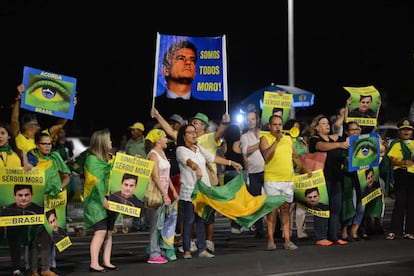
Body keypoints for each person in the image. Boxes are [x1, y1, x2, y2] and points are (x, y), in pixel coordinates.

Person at [176, 124, 241, 259]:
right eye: (190, 132)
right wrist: (196, 168)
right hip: (189, 192)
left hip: (203, 191)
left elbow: (212, 158)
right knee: (189, 221)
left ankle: (202, 249)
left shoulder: (198, 148)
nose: (194, 134)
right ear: (183, 136)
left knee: (201, 220)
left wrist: (230, 162)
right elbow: (188, 162)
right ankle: (187, 250)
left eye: (194, 132)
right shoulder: (181, 150)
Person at [259, 115, 311, 251]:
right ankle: (270, 240)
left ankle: (287, 240)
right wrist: (276, 141)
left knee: (286, 210)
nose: (278, 127)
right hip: (272, 180)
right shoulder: (265, 139)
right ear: (270, 126)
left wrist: (305, 169)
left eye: (280, 124)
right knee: (272, 211)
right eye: (275, 125)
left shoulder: (288, 139)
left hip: (288, 179)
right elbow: (266, 156)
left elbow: (295, 157)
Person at [154, 40, 225, 119]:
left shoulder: (203, 107)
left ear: (195, 73)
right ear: (165, 70)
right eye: (181, 58)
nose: (188, 62)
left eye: (192, 59)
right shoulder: (155, 105)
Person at [191, 111, 230, 253]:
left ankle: (209, 241)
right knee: (193, 213)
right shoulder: (189, 139)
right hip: (193, 180)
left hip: (209, 181)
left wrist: (224, 123)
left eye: (196, 123)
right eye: (193, 122)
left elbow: (218, 134)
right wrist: (157, 116)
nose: (193, 124)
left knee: (208, 213)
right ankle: (193, 240)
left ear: (203, 126)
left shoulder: (208, 138)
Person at [308, 114, 350, 246]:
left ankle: (334, 235)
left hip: (336, 177)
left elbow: (348, 137)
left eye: (327, 123)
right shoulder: (315, 139)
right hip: (322, 178)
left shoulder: (334, 139)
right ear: (317, 127)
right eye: (324, 123)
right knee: (322, 208)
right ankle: (320, 237)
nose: (327, 125)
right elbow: (322, 146)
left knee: (335, 208)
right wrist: (340, 144)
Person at [82, 129, 119, 272]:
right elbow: (94, 182)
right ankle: (94, 263)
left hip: (111, 197)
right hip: (95, 200)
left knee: (109, 232)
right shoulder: (92, 160)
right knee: (100, 232)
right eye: (109, 140)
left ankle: (107, 261)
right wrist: (102, 198)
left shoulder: (111, 158)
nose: (111, 142)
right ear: (102, 142)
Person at [11, 84, 69, 170]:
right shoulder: (18, 136)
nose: (39, 127)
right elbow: (14, 120)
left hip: (43, 176)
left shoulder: (44, 135)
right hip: (23, 175)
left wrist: (69, 107)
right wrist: (18, 99)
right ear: (30, 126)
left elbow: (59, 125)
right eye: (37, 124)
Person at [145, 128, 178, 264]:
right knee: (154, 224)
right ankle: (153, 253)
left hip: (163, 192)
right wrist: (165, 194)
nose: (167, 139)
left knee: (161, 224)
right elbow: (155, 176)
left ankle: (157, 249)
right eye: (164, 137)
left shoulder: (162, 153)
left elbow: (166, 175)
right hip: (156, 194)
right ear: (158, 140)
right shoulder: (153, 155)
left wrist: (172, 190)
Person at [385, 118, 414, 240]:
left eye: (409, 130)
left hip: (412, 175)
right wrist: (403, 162)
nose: (406, 132)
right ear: (399, 132)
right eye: (403, 130)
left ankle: (410, 231)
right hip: (401, 174)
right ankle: (394, 230)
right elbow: (393, 160)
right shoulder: (396, 143)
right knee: (400, 203)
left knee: (412, 203)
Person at [240, 111, 265, 239]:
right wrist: (260, 143)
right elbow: (246, 150)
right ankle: (259, 230)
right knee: (256, 202)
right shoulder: (244, 136)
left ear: (257, 120)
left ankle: (276, 229)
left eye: (252, 119)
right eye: (248, 119)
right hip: (254, 172)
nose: (250, 121)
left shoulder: (264, 133)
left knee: (270, 199)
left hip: (268, 171)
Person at [340, 121, 366, 242]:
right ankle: (344, 229)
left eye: (357, 129)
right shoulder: (343, 144)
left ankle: (354, 230)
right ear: (346, 132)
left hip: (362, 178)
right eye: (352, 129)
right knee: (348, 204)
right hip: (348, 178)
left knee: (362, 204)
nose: (355, 131)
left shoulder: (366, 142)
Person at [285, 119, 309, 239]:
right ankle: (287, 231)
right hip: (289, 175)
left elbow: (307, 155)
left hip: (301, 175)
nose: (296, 129)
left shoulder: (302, 142)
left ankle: (301, 231)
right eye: (294, 127)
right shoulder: (284, 141)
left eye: (298, 127)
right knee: (289, 206)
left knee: (302, 206)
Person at [222, 124, 247, 234]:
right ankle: (240, 223)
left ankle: (233, 224)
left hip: (227, 174)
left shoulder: (225, 145)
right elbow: (244, 159)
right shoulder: (239, 144)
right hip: (238, 174)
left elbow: (223, 158)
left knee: (231, 201)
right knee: (240, 200)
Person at [125, 121, 147, 231]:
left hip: (144, 175)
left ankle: (146, 223)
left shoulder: (146, 143)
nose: (132, 132)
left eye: (135, 130)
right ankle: (136, 223)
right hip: (132, 175)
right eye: (132, 130)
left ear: (140, 131)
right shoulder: (129, 143)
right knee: (135, 199)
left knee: (146, 200)